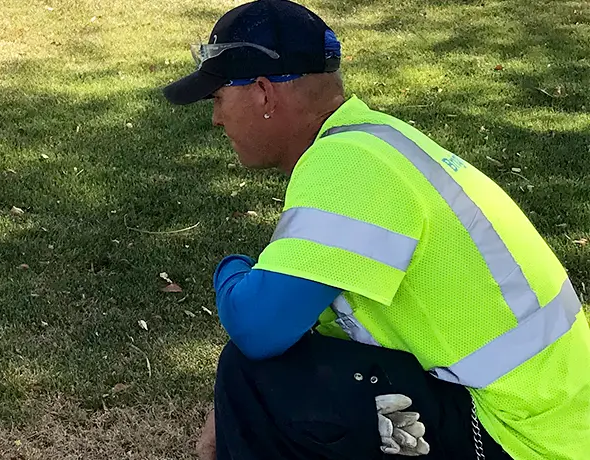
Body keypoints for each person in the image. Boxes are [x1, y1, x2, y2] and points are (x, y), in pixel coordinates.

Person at [161, 0, 590, 459]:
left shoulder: (346, 166)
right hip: (548, 417)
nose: (216, 119)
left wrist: (232, 268)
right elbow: (304, 320)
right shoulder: (375, 140)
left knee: (252, 376)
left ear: (263, 93)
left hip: (517, 436)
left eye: (218, 98)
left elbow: (256, 326)